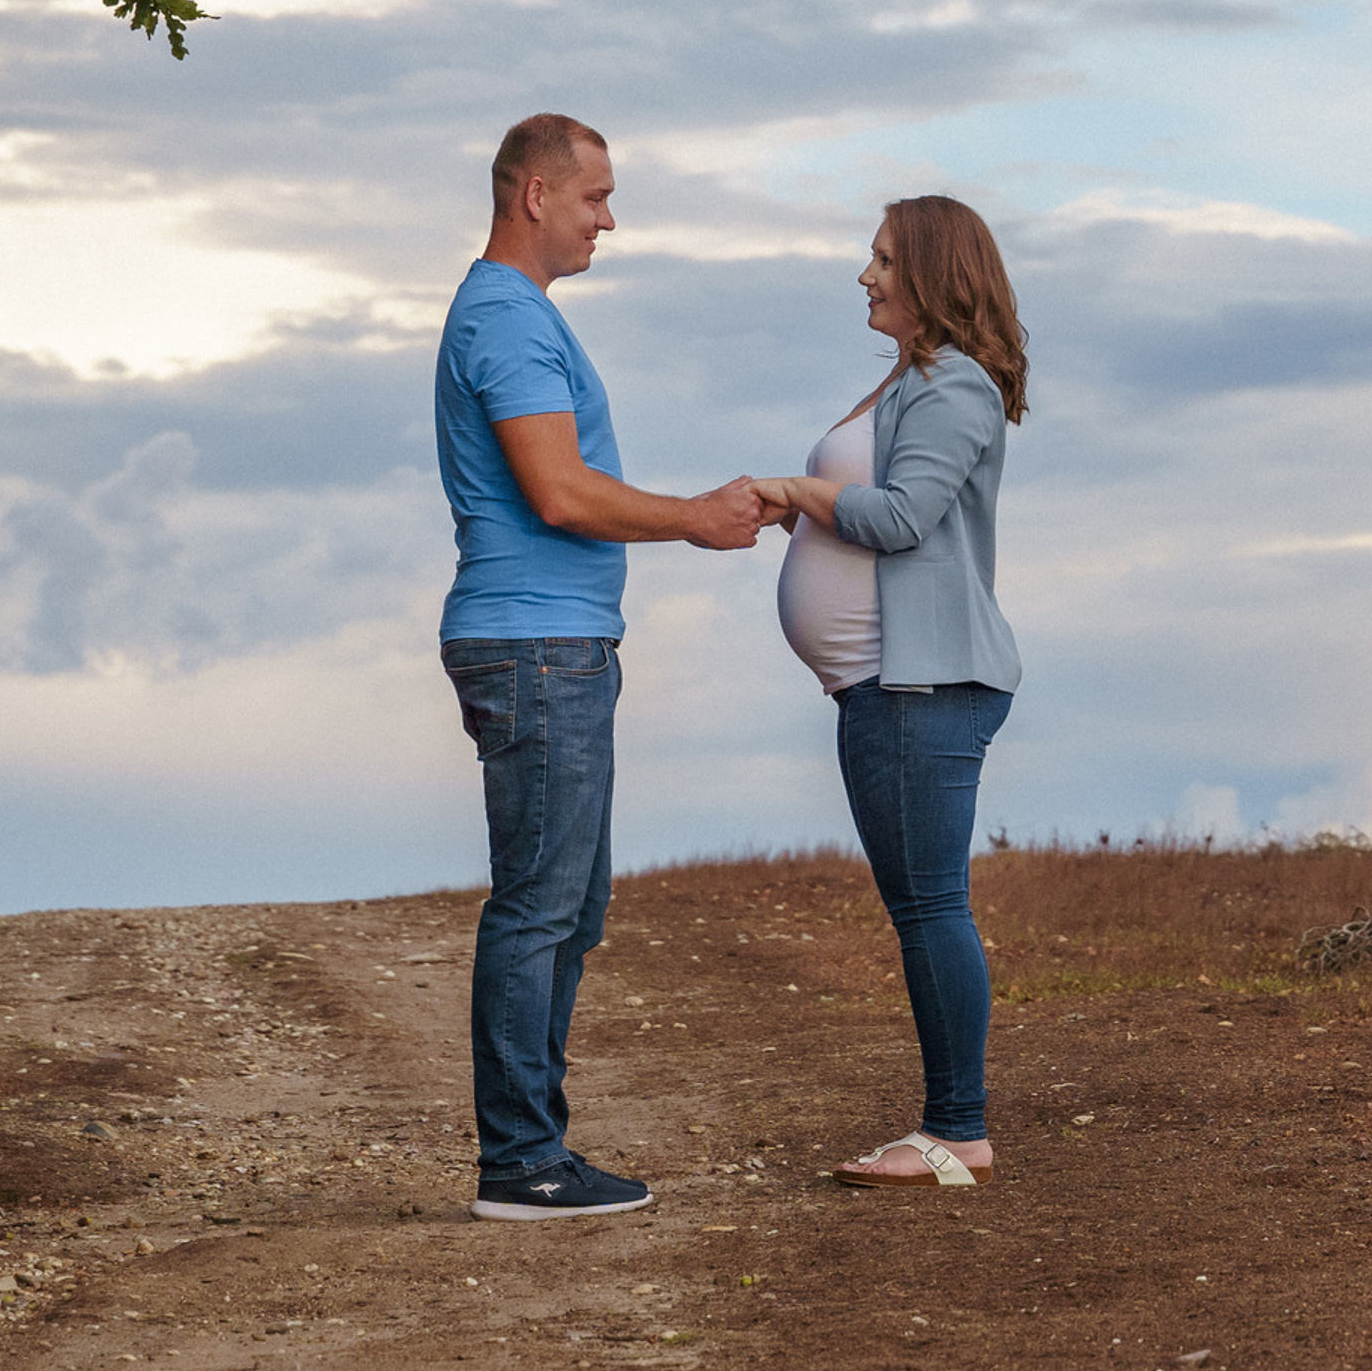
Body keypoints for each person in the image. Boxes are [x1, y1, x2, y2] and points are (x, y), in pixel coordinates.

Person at [436, 112, 765, 1220]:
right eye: (595, 198)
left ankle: (537, 1148)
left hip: (557, 640)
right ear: (535, 195)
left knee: (572, 909)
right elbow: (561, 492)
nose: (608, 220)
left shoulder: (517, 316)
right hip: (536, 645)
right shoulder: (506, 318)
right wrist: (695, 519)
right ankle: (519, 1160)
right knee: (539, 907)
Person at [756, 194, 1026, 1189]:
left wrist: (797, 492)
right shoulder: (907, 380)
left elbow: (904, 517)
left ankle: (957, 1131)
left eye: (880, 260)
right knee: (921, 905)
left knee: (930, 908)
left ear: (930, 275)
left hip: (919, 686)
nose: (864, 275)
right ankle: (952, 1126)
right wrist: (813, 513)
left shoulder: (954, 385)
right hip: (882, 687)